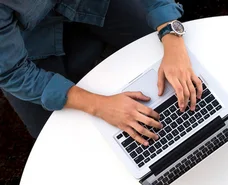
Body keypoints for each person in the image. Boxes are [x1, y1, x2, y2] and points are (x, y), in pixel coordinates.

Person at [0, 0, 202, 144]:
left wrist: (170, 33)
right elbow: (12, 73)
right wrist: (100, 105)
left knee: (161, 42)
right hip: (24, 40)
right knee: (51, 136)